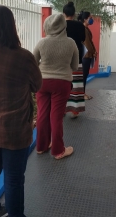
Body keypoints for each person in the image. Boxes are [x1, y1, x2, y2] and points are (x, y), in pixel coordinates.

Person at [0, 6, 42, 217]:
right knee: (13, 179)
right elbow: (37, 85)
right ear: (12, 27)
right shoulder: (24, 57)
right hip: (16, 130)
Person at [33, 13, 79, 159]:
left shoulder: (41, 43)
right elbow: (74, 65)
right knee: (56, 116)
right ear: (63, 26)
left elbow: (33, 62)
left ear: (47, 26)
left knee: (42, 114)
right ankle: (58, 150)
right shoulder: (71, 43)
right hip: (62, 83)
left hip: (42, 82)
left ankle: (41, 146)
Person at [63, 2, 86, 118]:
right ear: (74, 13)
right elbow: (83, 39)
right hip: (76, 58)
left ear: (64, 13)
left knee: (63, 84)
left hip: (63, 58)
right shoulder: (80, 25)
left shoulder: (61, 25)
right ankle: (75, 110)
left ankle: (62, 109)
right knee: (76, 85)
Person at [78, 10, 97, 100]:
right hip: (86, 55)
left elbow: (90, 42)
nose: (91, 19)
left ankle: (82, 93)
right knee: (83, 76)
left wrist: (94, 51)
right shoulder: (83, 29)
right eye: (90, 18)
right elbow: (87, 43)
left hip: (87, 55)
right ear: (85, 19)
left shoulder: (85, 28)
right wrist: (93, 51)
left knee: (84, 75)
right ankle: (82, 94)